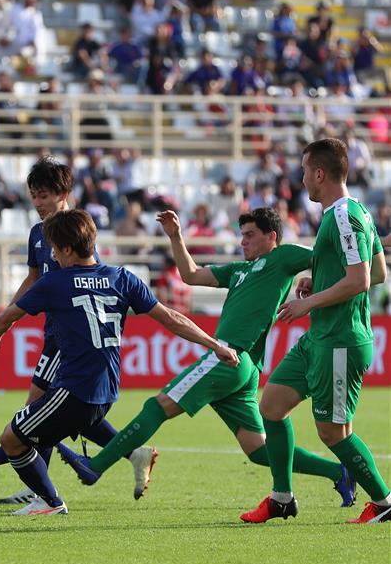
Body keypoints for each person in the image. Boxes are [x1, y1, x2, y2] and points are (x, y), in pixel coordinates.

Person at [54, 208, 357, 505]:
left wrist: (317, 280)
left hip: (228, 357)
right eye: (242, 235)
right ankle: (338, 472)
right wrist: (176, 237)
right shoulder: (239, 270)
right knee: (258, 449)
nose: (243, 242)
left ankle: (95, 467)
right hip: (242, 365)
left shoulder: (282, 256)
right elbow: (191, 274)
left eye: (250, 235)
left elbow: (328, 255)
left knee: (156, 406)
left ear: (271, 237)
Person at [0, 209, 239, 515]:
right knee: (35, 431)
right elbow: (171, 318)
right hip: (107, 393)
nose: (52, 255)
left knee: (12, 438)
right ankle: (26, 475)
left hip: (73, 390)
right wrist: (214, 344)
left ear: (68, 249)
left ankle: (49, 501)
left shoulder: (55, 283)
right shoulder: (123, 278)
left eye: (55, 249)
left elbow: (11, 314)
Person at [0, 158, 157, 505]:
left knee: (36, 413)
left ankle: (13, 475)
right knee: (58, 416)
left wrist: (3, 324)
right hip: (54, 334)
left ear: (64, 193)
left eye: (44, 195)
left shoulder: (77, 230)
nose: (38, 203)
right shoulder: (38, 232)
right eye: (33, 196)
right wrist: (7, 319)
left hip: (71, 339)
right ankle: (129, 452)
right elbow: (33, 280)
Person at [242, 138, 390, 524]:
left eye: (305, 170)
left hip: (339, 341)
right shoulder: (346, 213)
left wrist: (308, 301)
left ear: (320, 173)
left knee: (333, 434)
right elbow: (378, 272)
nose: (302, 177)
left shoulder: (345, 216)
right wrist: (318, 281)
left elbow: (363, 280)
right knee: (270, 407)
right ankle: (281, 498)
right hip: (319, 339)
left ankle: (386, 502)